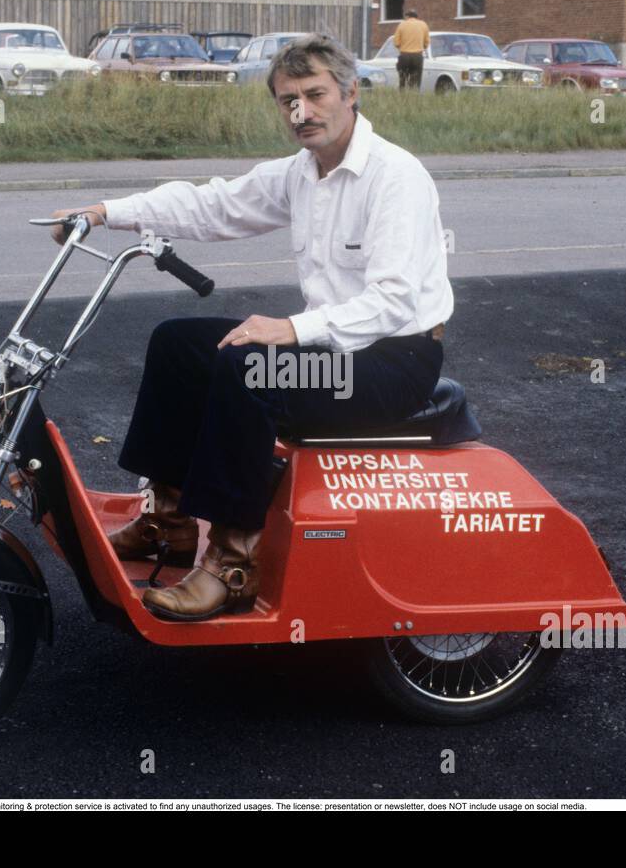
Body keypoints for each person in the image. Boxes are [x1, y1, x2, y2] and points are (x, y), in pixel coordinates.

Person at [49, 35, 452, 622]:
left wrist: (292, 328)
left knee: (250, 365)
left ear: (351, 92)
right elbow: (214, 206)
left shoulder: (395, 177)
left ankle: (231, 566)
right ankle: (170, 522)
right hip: (336, 351)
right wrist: (107, 213)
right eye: (287, 100)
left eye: (314, 95)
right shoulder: (300, 173)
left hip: (394, 363)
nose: (301, 112)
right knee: (179, 342)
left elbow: (393, 302)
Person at [392, 9, 429, 90]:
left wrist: (403, 47)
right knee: (416, 81)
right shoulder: (423, 25)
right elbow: (426, 43)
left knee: (402, 80)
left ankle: (402, 97)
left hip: (404, 56)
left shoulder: (402, 25)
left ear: (407, 16)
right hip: (418, 56)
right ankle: (414, 96)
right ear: (417, 17)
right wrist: (420, 46)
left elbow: (396, 43)